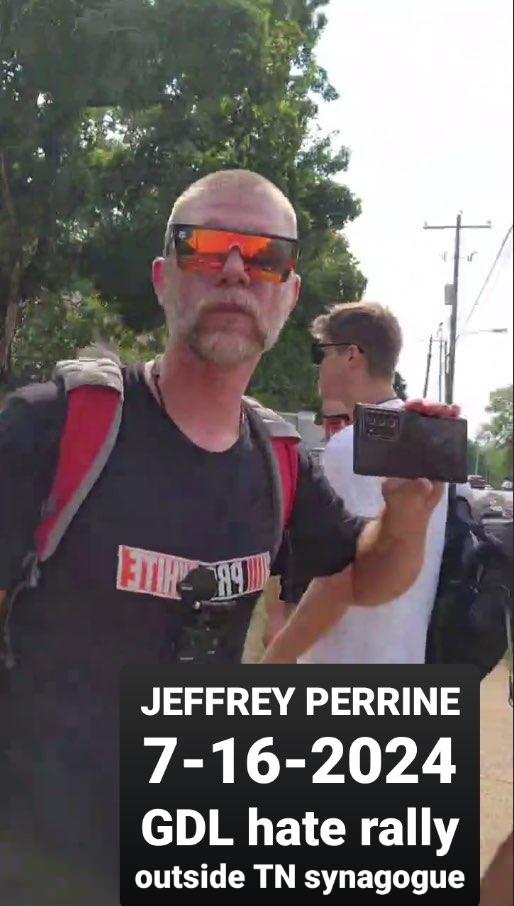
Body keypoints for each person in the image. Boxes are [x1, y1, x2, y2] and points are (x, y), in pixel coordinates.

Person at [0, 169, 454, 902]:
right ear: (162, 278)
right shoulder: (57, 427)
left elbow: (366, 578)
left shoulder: (281, 464)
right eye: (206, 248)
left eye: (265, 256)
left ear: (289, 293)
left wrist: (406, 514)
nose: (237, 271)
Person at [262, 301, 450, 665]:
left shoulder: (351, 446)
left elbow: (339, 580)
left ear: (351, 356)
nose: (318, 366)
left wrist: (275, 662)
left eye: (323, 352)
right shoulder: (427, 444)